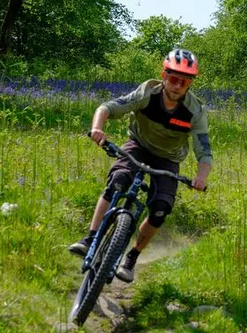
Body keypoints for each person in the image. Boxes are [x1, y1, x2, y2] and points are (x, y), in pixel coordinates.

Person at [68, 49, 212, 283]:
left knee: (160, 208)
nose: (177, 86)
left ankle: (131, 258)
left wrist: (201, 177)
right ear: (164, 75)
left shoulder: (194, 111)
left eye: (184, 82)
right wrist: (97, 128)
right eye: (173, 78)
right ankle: (90, 238)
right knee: (117, 181)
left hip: (169, 158)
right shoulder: (147, 92)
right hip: (138, 144)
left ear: (190, 84)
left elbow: (204, 150)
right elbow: (107, 107)